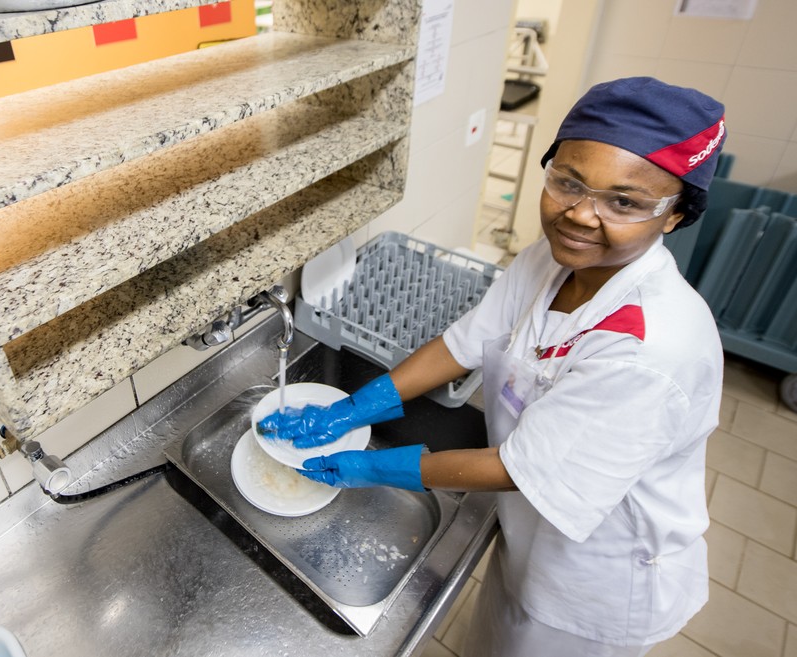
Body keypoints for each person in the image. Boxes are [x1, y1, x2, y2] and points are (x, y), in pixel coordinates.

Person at [259, 77, 727, 657]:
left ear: (674, 216)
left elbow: (521, 469)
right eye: (567, 182)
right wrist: (358, 406)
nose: (580, 215)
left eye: (624, 202)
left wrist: (367, 467)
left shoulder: (653, 349)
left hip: (596, 574)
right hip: (531, 535)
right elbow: (462, 343)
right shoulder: (553, 259)